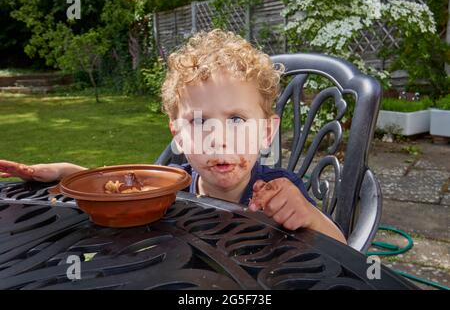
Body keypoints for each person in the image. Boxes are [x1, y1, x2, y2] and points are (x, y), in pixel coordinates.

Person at [0, 29, 346, 244]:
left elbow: (343, 248)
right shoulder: (172, 188)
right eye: (198, 122)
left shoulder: (280, 191)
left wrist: (310, 217)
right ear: (177, 136)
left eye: (237, 119)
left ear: (267, 131)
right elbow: (123, 190)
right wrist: (72, 174)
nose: (218, 139)